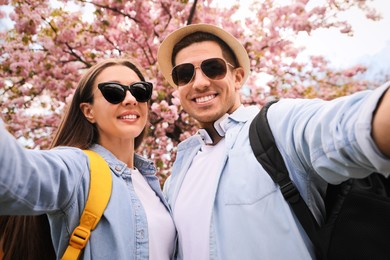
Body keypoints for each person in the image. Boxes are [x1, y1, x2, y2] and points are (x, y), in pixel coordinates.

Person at [157, 23, 390, 259]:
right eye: (185, 75)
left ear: (237, 77)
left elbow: (350, 126)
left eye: (213, 68)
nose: (199, 83)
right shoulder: (177, 178)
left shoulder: (276, 127)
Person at [0, 57, 176, 259]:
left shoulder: (154, 186)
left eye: (139, 90)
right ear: (88, 111)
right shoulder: (78, 168)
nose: (130, 99)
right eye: (113, 92)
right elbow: (18, 177)